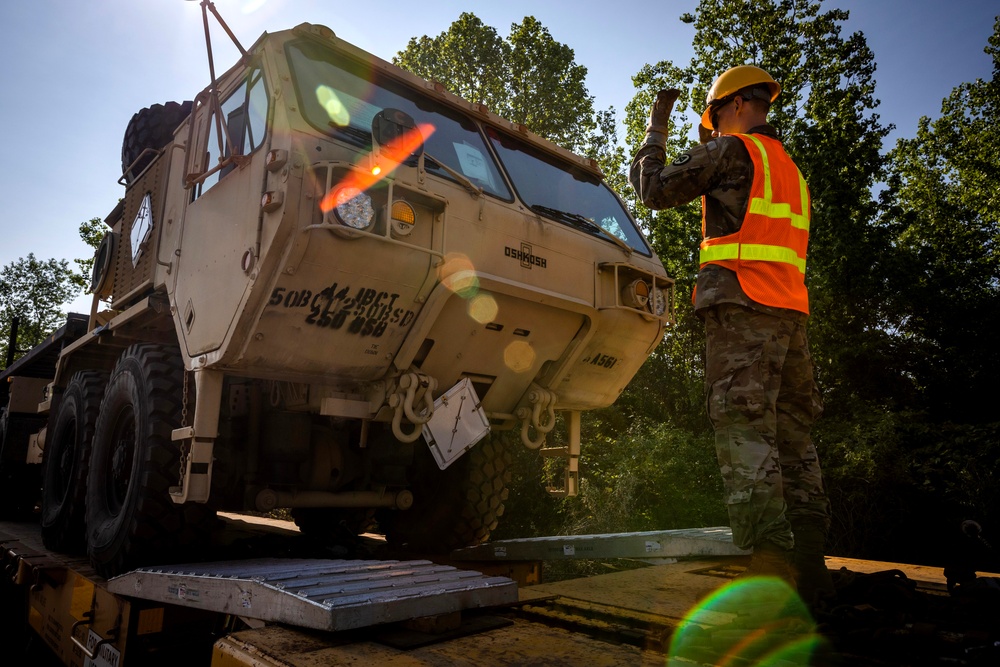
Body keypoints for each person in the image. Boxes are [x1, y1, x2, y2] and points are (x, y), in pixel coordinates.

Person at [629, 66, 835, 605]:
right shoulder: (787, 168)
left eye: (716, 117)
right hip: (790, 316)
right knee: (794, 441)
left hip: (743, 309)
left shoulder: (730, 152)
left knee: (746, 434)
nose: (714, 129)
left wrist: (655, 130)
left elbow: (653, 190)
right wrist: (713, 147)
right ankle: (812, 572)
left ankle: (770, 576)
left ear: (737, 106)